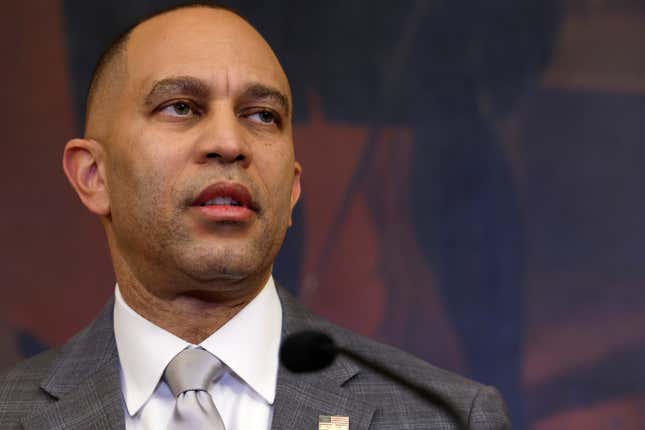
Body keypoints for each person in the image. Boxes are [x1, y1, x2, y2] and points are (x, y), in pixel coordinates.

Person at [0, 4, 510, 429]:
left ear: (291, 188)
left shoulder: (445, 417)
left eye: (262, 115)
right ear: (94, 175)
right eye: (181, 107)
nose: (229, 143)